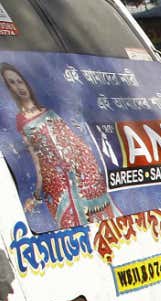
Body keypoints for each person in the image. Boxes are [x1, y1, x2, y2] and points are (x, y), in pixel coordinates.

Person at [2, 63, 117, 230]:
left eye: (19, 81)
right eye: (11, 83)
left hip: (85, 178)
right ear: (8, 89)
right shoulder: (22, 121)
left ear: (26, 83)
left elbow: (73, 141)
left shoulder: (49, 112)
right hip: (59, 189)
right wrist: (36, 196)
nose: (18, 86)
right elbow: (37, 160)